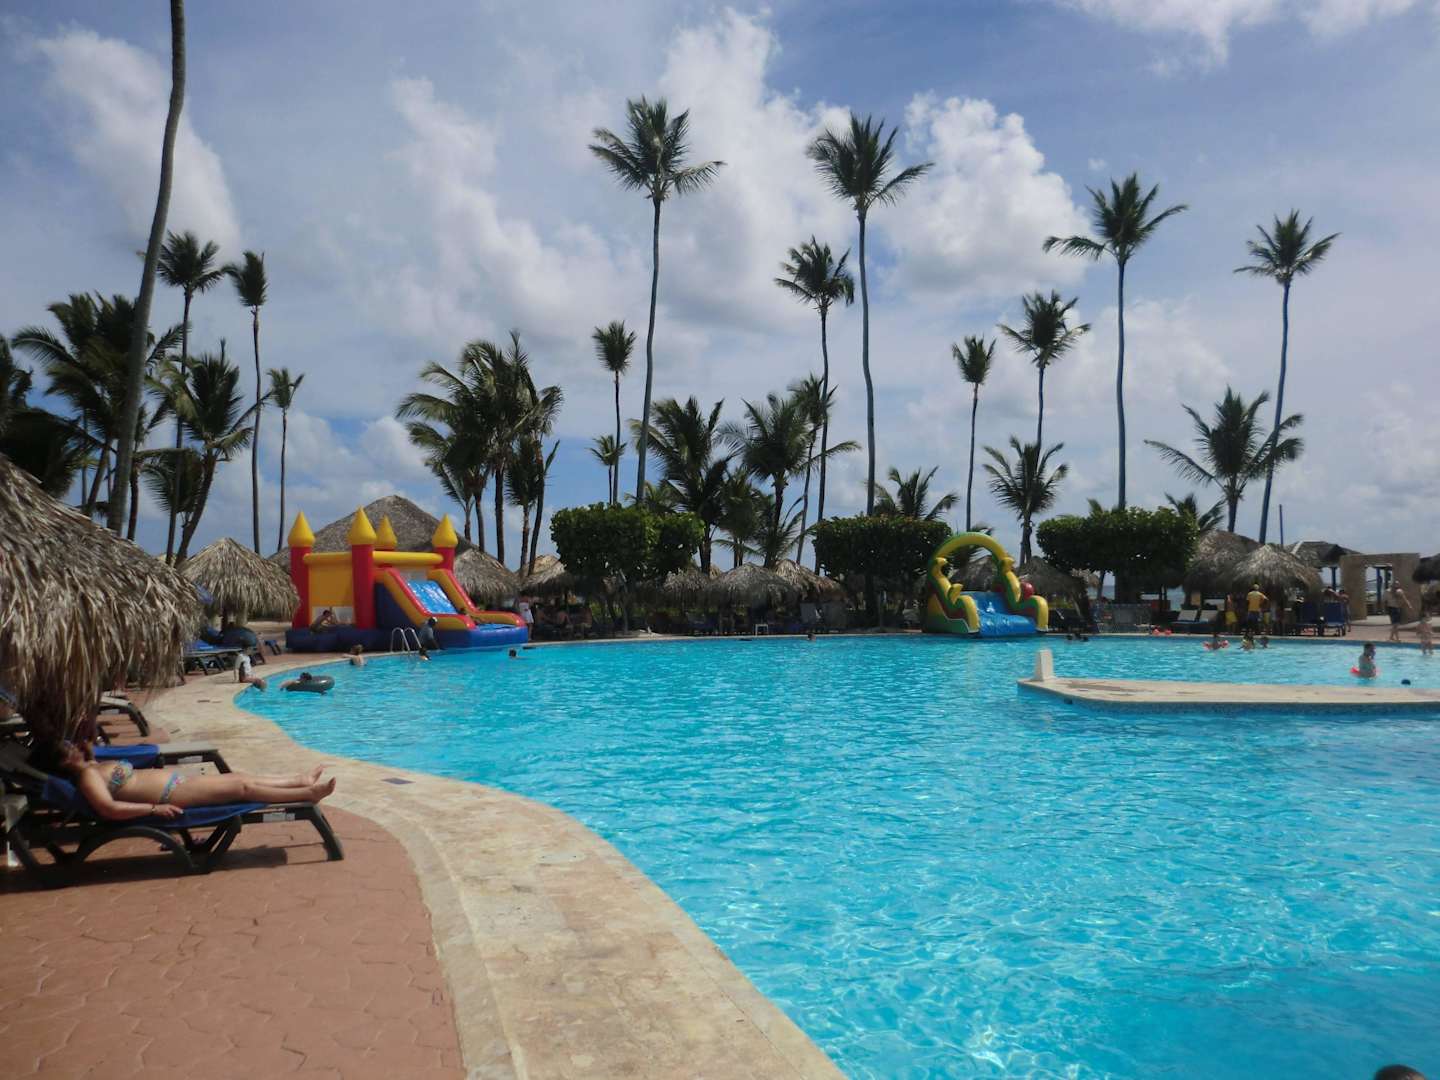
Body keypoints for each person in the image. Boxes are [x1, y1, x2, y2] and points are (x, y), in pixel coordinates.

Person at [37, 739, 335, 820]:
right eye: (67, 748)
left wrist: (88, 752)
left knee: (240, 778)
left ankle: (299, 780)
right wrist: (153, 810)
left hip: (176, 784)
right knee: (243, 788)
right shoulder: (87, 776)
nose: (72, 746)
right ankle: (307, 793)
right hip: (170, 796)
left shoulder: (91, 765)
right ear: (63, 762)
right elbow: (108, 809)